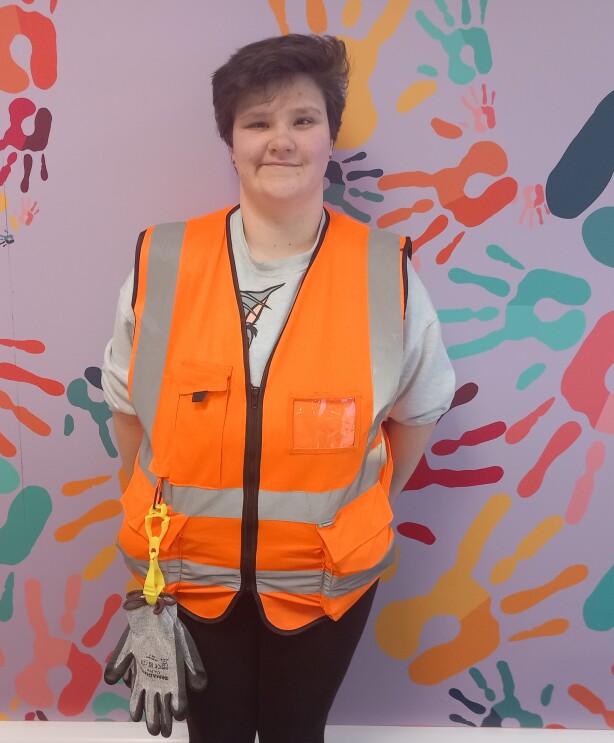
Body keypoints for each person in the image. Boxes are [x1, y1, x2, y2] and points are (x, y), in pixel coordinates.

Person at [102, 33, 455, 743]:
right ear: (230, 141)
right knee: (215, 735)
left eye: (301, 119)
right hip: (182, 576)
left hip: (326, 581)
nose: (279, 141)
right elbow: (127, 409)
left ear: (330, 135)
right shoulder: (162, 260)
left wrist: (362, 504)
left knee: (297, 732)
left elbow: (417, 410)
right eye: (256, 123)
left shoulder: (383, 270)